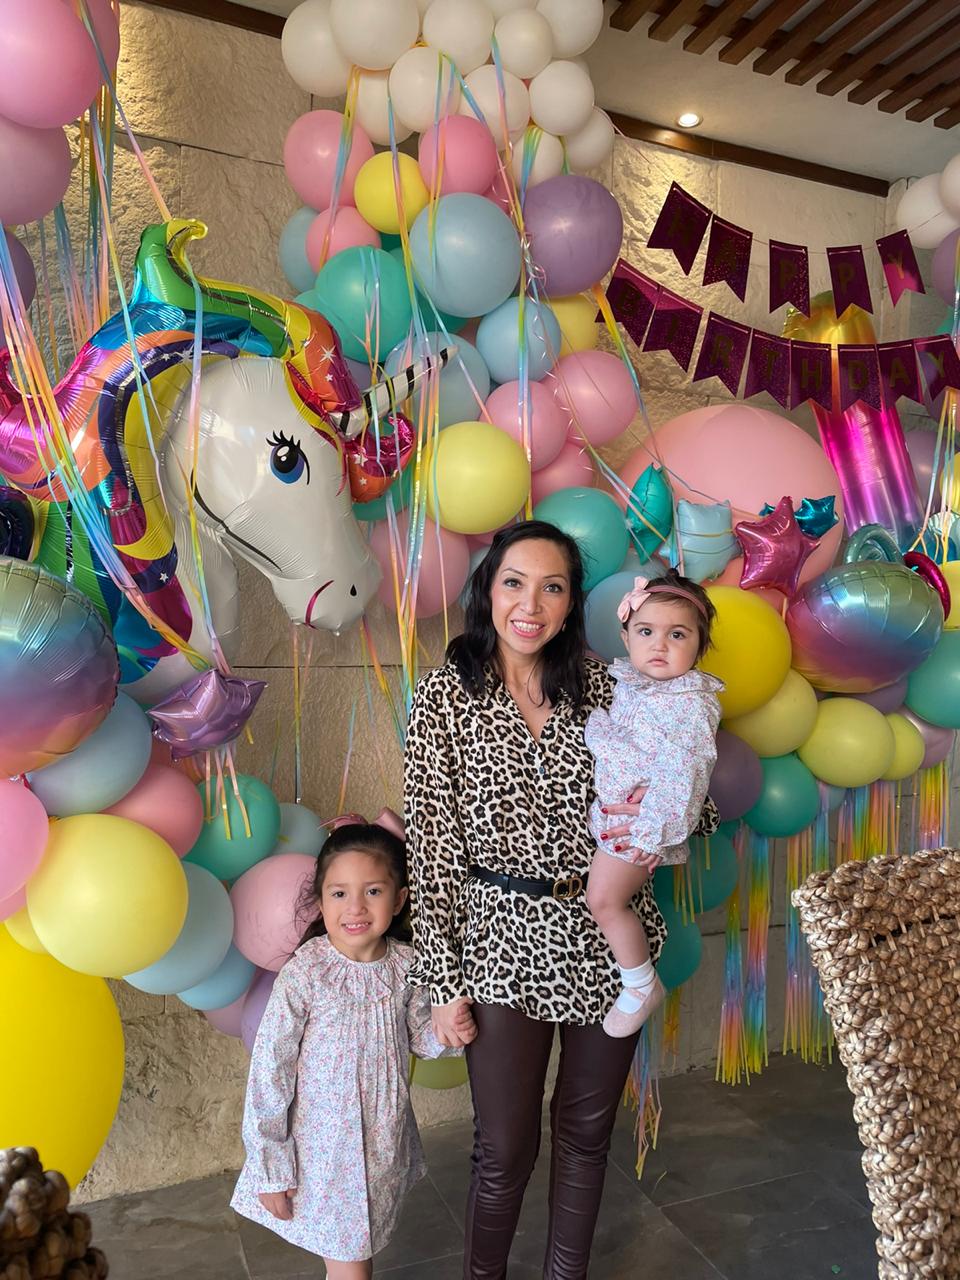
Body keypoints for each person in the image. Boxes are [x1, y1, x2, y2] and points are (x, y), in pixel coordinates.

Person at [404, 521, 719, 1280]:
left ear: (573, 600)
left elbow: (690, 791)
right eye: (516, 581)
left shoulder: (609, 681)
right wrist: (442, 982)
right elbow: (433, 848)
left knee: (585, 1133)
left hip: (604, 938)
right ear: (488, 588)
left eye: (553, 586)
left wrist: (673, 794)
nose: (532, 603)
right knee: (503, 1145)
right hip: (500, 939)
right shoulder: (447, 695)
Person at [231, 823, 475, 1280]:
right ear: (321, 902)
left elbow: (417, 1036)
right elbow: (271, 1072)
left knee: (355, 1249)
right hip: (325, 1151)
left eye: (373, 891)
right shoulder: (307, 974)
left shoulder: (406, 966)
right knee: (351, 1267)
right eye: (339, 894)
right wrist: (271, 1164)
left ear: (399, 900)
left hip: (382, 1141)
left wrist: (447, 1031)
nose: (356, 907)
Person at [584, 572, 722, 1038]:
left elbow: (688, 770)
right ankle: (636, 979)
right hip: (620, 818)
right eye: (646, 632)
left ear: (698, 647)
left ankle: (641, 983)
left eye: (677, 634)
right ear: (626, 636)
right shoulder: (634, 684)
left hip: (641, 827)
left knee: (603, 900)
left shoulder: (690, 702)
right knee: (604, 899)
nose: (659, 645)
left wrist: (651, 831)